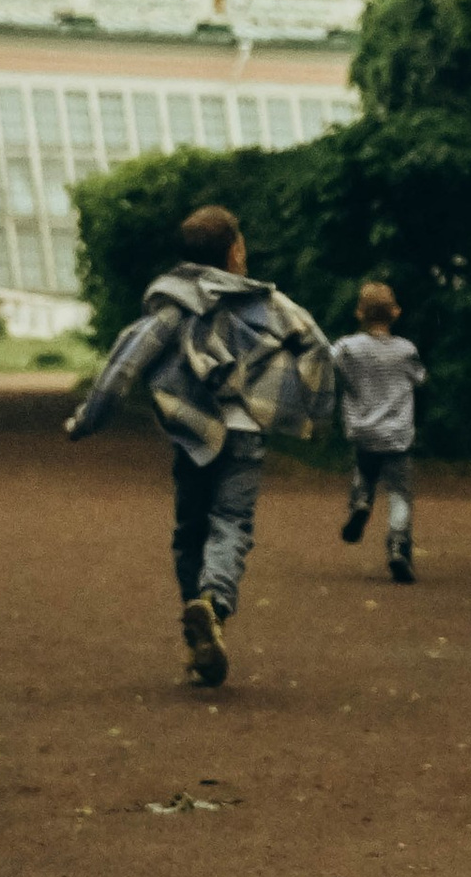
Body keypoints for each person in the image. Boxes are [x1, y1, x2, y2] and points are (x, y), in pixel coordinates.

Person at [65, 204, 334, 686]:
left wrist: (86, 421)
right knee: (232, 522)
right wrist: (306, 407)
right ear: (235, 251)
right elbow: (317, 347)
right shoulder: (271, 305)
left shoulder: (171, 308)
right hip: (248, 431)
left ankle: (199, 628)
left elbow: (123, 366)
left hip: (192, 436)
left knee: (190, 532)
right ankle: (214, 604)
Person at [333, 280, 426, 584]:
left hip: (363, 430)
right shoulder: (406, 350)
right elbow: (420, 379)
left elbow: (326, 361)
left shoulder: (348, 348)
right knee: (400, 493)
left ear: (360, 312)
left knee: (365, 470)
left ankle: (361, 501)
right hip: (397, 434)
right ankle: (398, 545)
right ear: (395, 313)